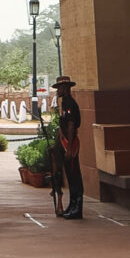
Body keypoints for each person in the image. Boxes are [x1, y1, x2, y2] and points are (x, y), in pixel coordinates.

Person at [53, 76, 83, 219]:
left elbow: (71, 126)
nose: (57, 91)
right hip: (65, 142)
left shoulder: (70, 103)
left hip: (70, 144)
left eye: (59, 88)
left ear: (65, 88)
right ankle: (72, 205)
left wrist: (70, 147)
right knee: (70, 177)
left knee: (74, 175)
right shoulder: (64, 103)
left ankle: (77, 208)